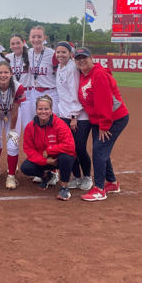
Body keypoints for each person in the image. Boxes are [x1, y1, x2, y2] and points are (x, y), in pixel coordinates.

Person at [74, 47, 130, 202]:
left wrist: (104, 125)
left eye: (84, 57)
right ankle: (111, 183)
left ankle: (99, 189)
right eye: (78, 58)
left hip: (113, 119)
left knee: (99, 150)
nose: (81, 61)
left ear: (91, 58)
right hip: (99, 120)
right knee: (102, 150)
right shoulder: (83, 75)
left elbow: (104, 102)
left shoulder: (98, 74)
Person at [20, 95, 77, 201]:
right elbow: (29, 149)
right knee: (26, 167)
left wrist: (50, 150)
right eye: (40, 109)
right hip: (44, 160)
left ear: (51, 110)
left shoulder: (60, 124)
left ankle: (64, 187)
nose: (43, 112)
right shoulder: (30, 127)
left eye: (46, 109)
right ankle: (46, 176)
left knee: (67, 157)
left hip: (58, 159)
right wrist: (45, 161)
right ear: (36, 110)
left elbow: (69, 145)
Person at [54, 41, 93, 191]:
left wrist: (74, 116)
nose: (60, 55)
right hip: (64, 113)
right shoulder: (60, 66)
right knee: (70, 148)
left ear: (70, 54)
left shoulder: (72, 68)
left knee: (80, 148)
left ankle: (87, 177)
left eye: (64, 52)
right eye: (58, 52)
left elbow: (76, 92)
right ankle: (76, 177)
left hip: (78, 116)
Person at [0, 60, 26, 189]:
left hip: (11, 115)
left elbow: (15, 111)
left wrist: (12, 130)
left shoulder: (18, 86)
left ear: (11, 73)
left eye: (6, 72)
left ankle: (11, 176)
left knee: (12, 143)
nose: (3, 75)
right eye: (0, 72)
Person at [26, 25, 58, 114]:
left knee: (52, 121)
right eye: (33, 37)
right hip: (35, 92)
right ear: (29, 38)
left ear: (44, 38)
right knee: (36, 121)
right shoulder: (28, 52)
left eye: (39, 37)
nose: (36, 40)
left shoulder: (52, 54)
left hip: (50, 92)